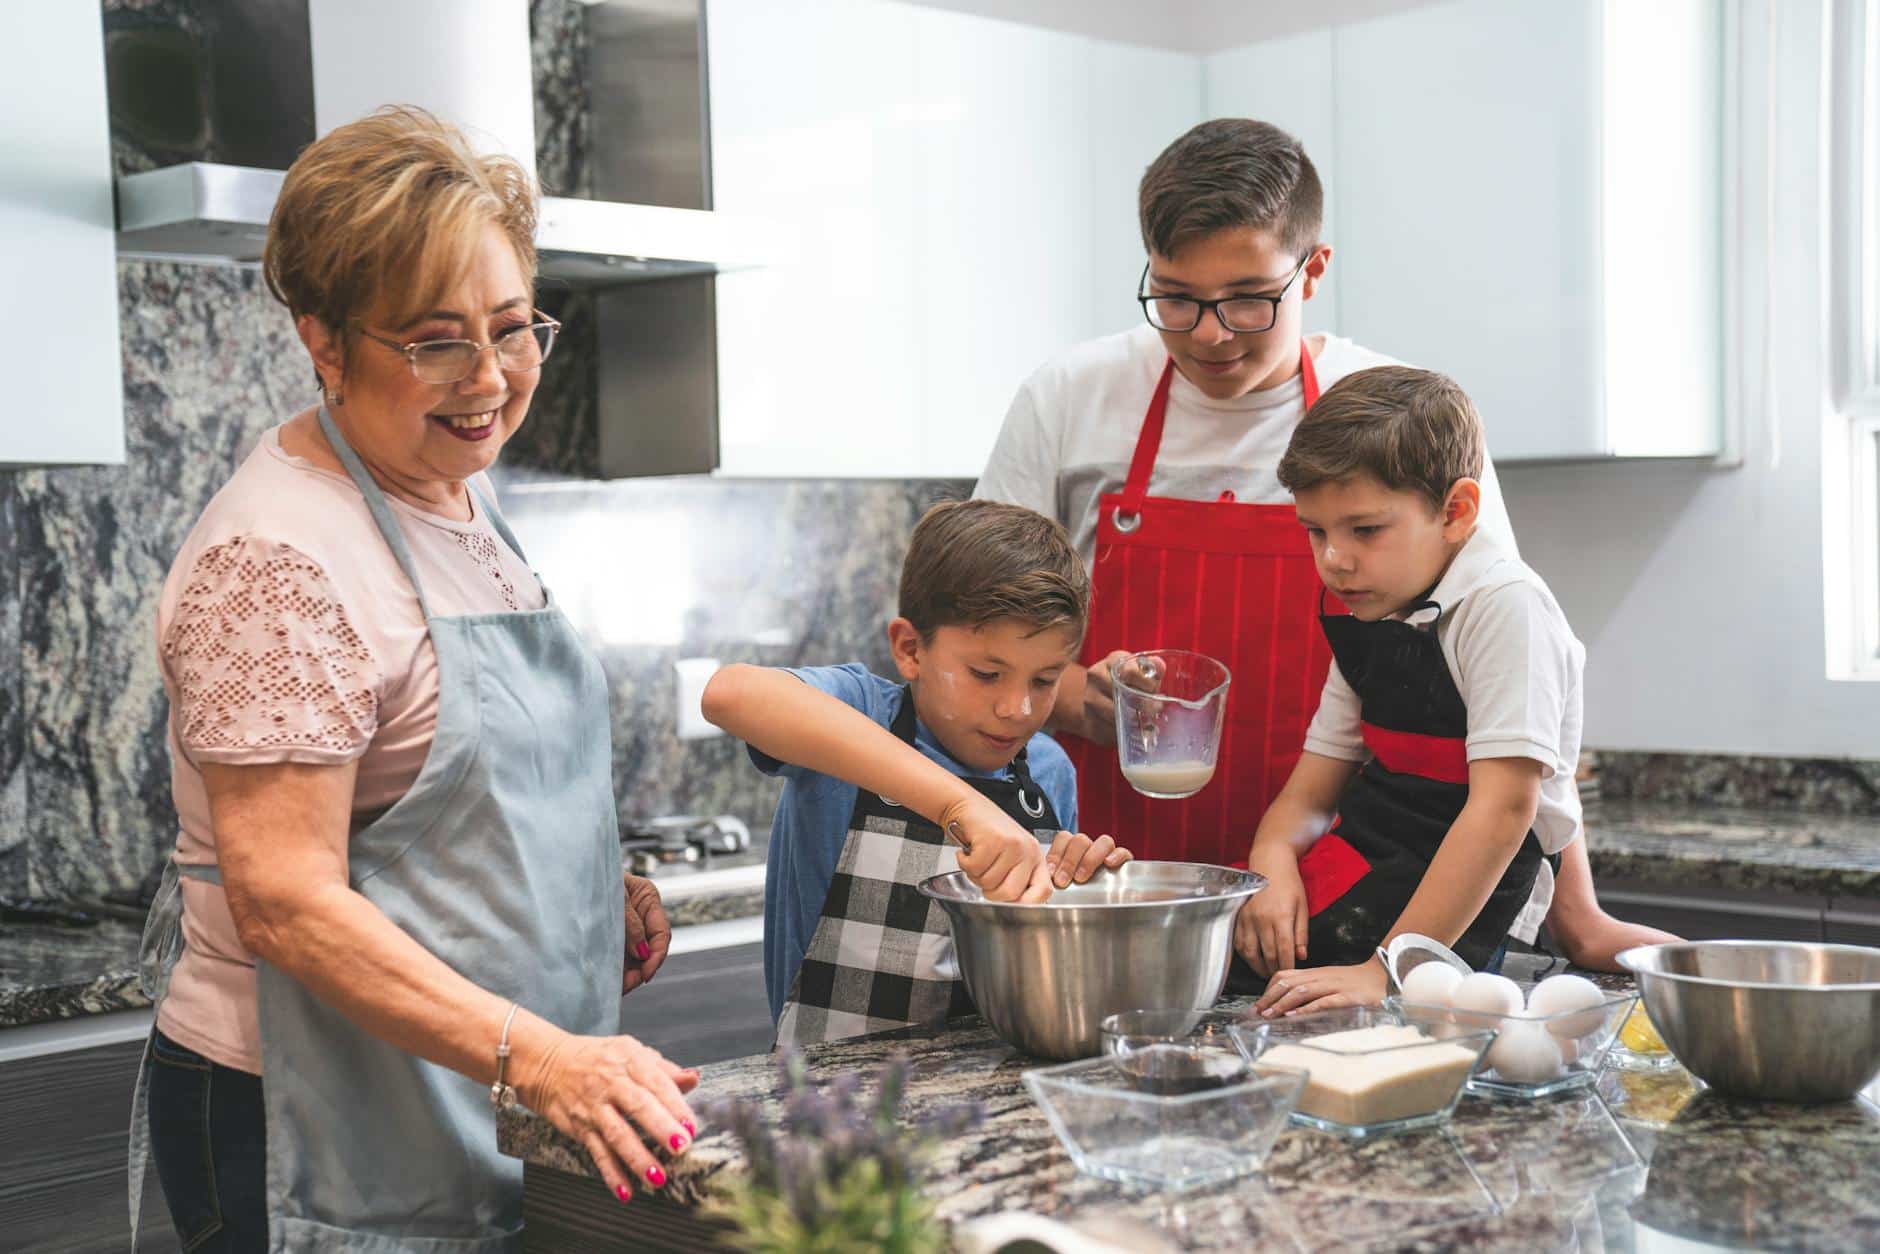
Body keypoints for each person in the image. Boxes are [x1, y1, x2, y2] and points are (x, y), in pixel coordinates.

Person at [137, 107, 692, 1249]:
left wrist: (584, 893)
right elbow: (286, 904)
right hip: (310, 1116)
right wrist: (538, 1050)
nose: (488, 380)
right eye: (436, 342)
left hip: (473, 1098)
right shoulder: (278, 559)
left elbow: (457, 786)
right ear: (324, 342)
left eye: (512, 327)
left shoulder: (454, 490)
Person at [976, 116, 1670, 971]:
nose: (1210, 333)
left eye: (1247, 298)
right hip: (1111, 879)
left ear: (1314, 268)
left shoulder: (1396, 419)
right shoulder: (1068, 400)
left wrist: (1579, 914)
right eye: (1177, 298)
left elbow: (1510, 700)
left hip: (1325, 892)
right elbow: (978, 658)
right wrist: (1093, 695)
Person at [1238, 367, 1609, 1015]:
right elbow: (1311, 791)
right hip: (1372, 865)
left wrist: (1390, 971)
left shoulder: (1503, 606)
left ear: (1457, 511)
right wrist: (1271, 861)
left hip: (1464, 898)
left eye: (1365, 530)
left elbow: (1504, 811)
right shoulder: (1367, 606)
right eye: (1316, 531)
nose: (1334, 560)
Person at [703, 500, 1130, 1046]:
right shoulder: (860, 716)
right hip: (829, 1106)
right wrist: (961, 806)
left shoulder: (1047, 773)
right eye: (986, 673)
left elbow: (1046, 973)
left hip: (987, 1096)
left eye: (1044, 681)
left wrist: (1082, 897)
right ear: (910, 649)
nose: (1017, 709)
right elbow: (730, 694)